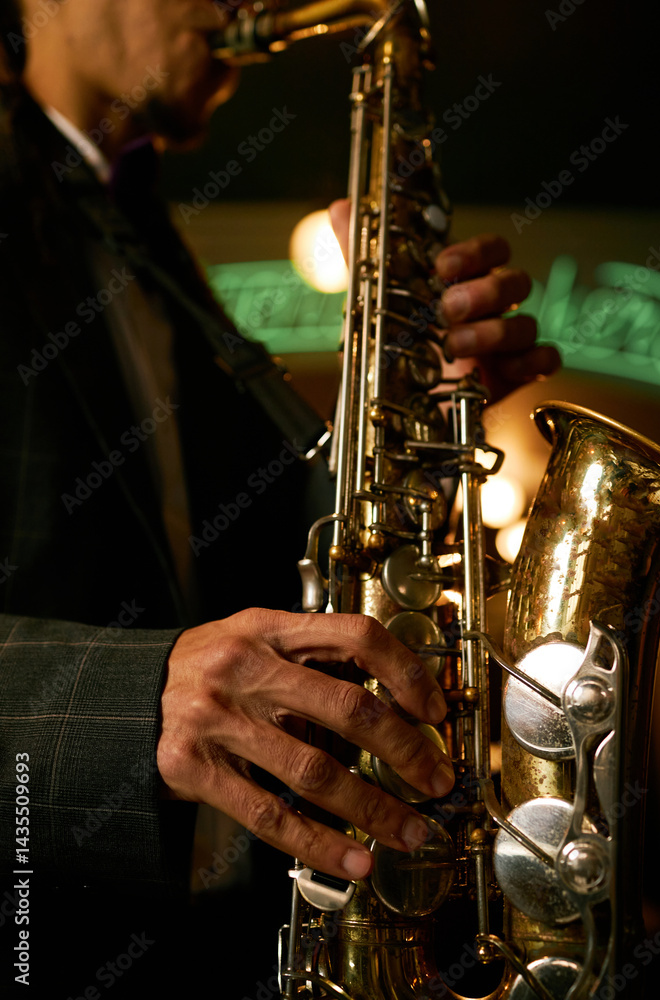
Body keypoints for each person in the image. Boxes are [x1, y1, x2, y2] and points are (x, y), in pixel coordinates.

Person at [0, 0, 560, 995]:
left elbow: (236, 577)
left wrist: (399, 420)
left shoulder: (134, 230)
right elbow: (171, 667)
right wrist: (140, 701)